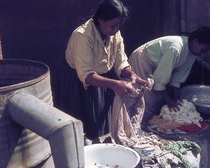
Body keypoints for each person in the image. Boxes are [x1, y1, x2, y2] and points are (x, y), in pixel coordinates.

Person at [57, 0, 146, 139]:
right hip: (79, 82)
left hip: (103, 77)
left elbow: (120, 61)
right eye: (113, 26)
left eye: (119, 26)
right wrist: (116, 84)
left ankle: (102, 143)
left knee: (104, 121)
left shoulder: (114, 34)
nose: (116, 29)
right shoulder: (83, 36)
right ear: (100, 19)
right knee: (84, 123)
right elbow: (86, 76)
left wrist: (131, 74)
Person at [128, 26, 210, 125]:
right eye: (203, 50)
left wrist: (176, 97)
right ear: (195, 41)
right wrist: (169, 100)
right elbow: (159, 81)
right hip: (142, 60)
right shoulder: (175, 48)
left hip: (154, 66)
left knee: (155, 101)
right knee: (141, 99)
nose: (202, 54)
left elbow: (177, 79)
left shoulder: (191, 54)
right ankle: (135, 126)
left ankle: (142, 123)